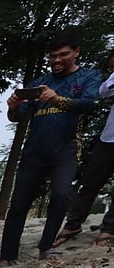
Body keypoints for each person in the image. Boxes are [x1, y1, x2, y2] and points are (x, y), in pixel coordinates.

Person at [0, 30, 102, 266]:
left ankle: (46, 247)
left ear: (76, 52)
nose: (57, 60)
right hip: (34, 150)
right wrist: (13, 107)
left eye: (63, 55)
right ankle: (7, 256)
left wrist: (58, 100)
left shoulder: (88, 77)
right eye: (53, 56)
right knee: (19, 204)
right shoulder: (38, 83)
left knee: (62, 194)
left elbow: (90, 105)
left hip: (66, 148)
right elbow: (20, 116)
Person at [53, 50, 114, 248]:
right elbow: (103, 91)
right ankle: (73, 223)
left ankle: (108, 229)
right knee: (91, 181)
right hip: (109, 137)